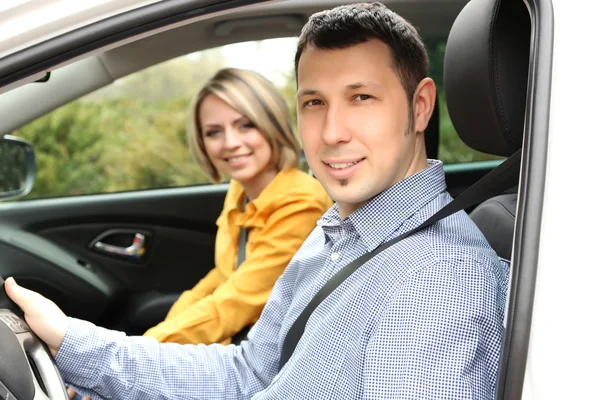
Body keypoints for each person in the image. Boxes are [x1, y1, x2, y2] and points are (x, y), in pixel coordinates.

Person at [6, 3, 509, 399]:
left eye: (361, 97)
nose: (332, 133)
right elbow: (247, 374)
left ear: (420, 107)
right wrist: (73, 339)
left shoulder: (441, 279)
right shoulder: (339, 228)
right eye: (314, 102)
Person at [141, 68, 331, 346]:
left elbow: (238, 300)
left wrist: (143, 349)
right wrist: (154, 337)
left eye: (246, 125)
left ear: (272, 124)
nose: (230, 143)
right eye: (214, 132)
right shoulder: (241, 189)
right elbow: (224, 276)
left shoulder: (302, 202)